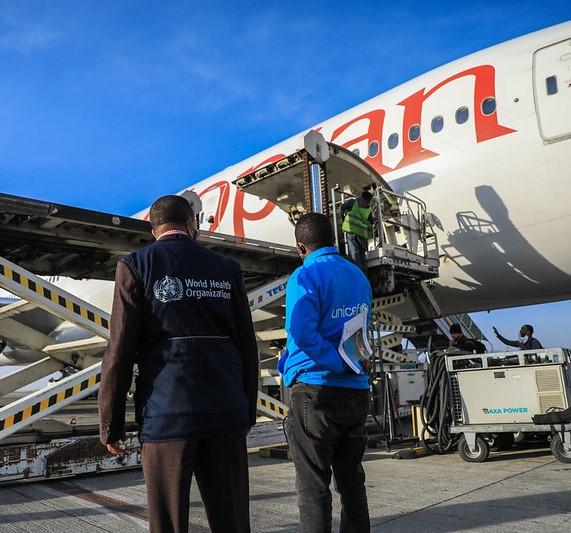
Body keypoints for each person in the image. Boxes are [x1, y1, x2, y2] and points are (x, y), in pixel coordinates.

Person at [98, 195, 258, 533]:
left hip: (166, 417)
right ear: (192, 225)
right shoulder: (227, 269)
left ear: (153, 229)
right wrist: (247, 410)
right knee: (232, 522)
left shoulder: (136, 265)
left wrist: (110, 423)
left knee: (168, 523)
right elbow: (247, 345)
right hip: (226, 413)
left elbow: (119, 351)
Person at [278, 212, 372, 533]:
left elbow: (302, 333)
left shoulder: (304, 276)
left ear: (300, 246)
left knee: (314, 486)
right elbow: (357, 333)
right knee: (352, 482)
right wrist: (350, 364)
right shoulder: (358, 276)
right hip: (356, 390)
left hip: (317, 393)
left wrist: (332, 362)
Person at [340, 191, 374, 271]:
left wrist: (342, 218)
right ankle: (363, 273)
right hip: (359, 234)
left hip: (353, 232)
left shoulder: (353, 202)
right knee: (361, 255)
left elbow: (341, 208)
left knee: (355, 254)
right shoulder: (368, 209)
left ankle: (359, 272)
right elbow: (371, 222)